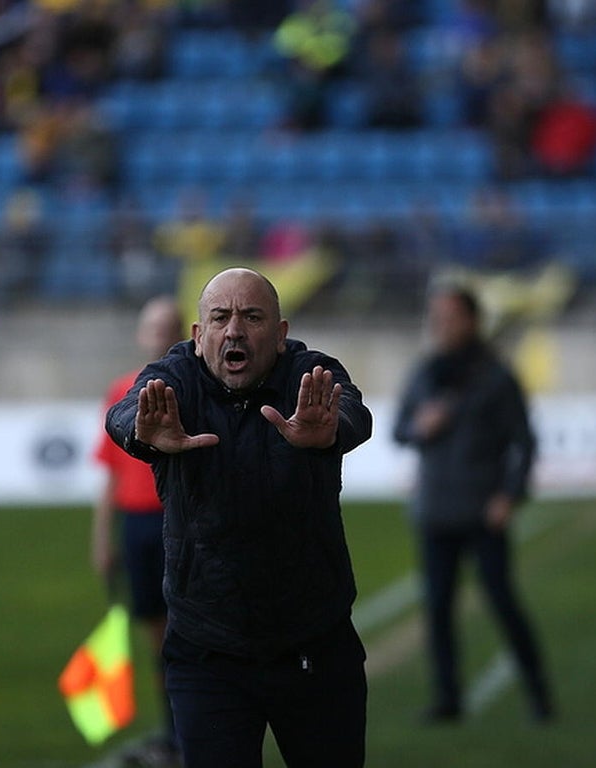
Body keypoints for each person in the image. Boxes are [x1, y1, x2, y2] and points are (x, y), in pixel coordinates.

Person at [105, 267, 372, 767]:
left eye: (252, 316)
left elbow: (354, 410)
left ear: (280, 333)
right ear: (199, 335)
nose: (235, 330)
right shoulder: (175, 376)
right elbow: (124, 412)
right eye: (221, 317)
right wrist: (142, 433)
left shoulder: (307, 373)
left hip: (314, 645)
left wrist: (330, 431)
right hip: (207, 654)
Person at [393, 284, 554, 725]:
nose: (439, 326)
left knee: (503, 602)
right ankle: (448, 699)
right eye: (435, 318)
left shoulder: (497, 378)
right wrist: (419, 426)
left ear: (472, 320)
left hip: (484, 512)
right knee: (438, 610)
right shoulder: (425, 373)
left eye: (448, 317)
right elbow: (398, 429)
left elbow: (525, 443)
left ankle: (539, 694)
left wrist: (509, 495)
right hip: (435, 512)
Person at [92, 296, 185, 767]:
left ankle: (191, 730)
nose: (158, 335)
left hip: (180, 521)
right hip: (138, 525)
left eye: (167, 327)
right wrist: (102, 539)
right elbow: (109, 470)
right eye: (152, 327)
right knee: (157, 634)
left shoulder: (191, 389)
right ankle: (174, 733)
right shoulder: (121, 391)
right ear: (141, 334)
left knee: (188, 631)